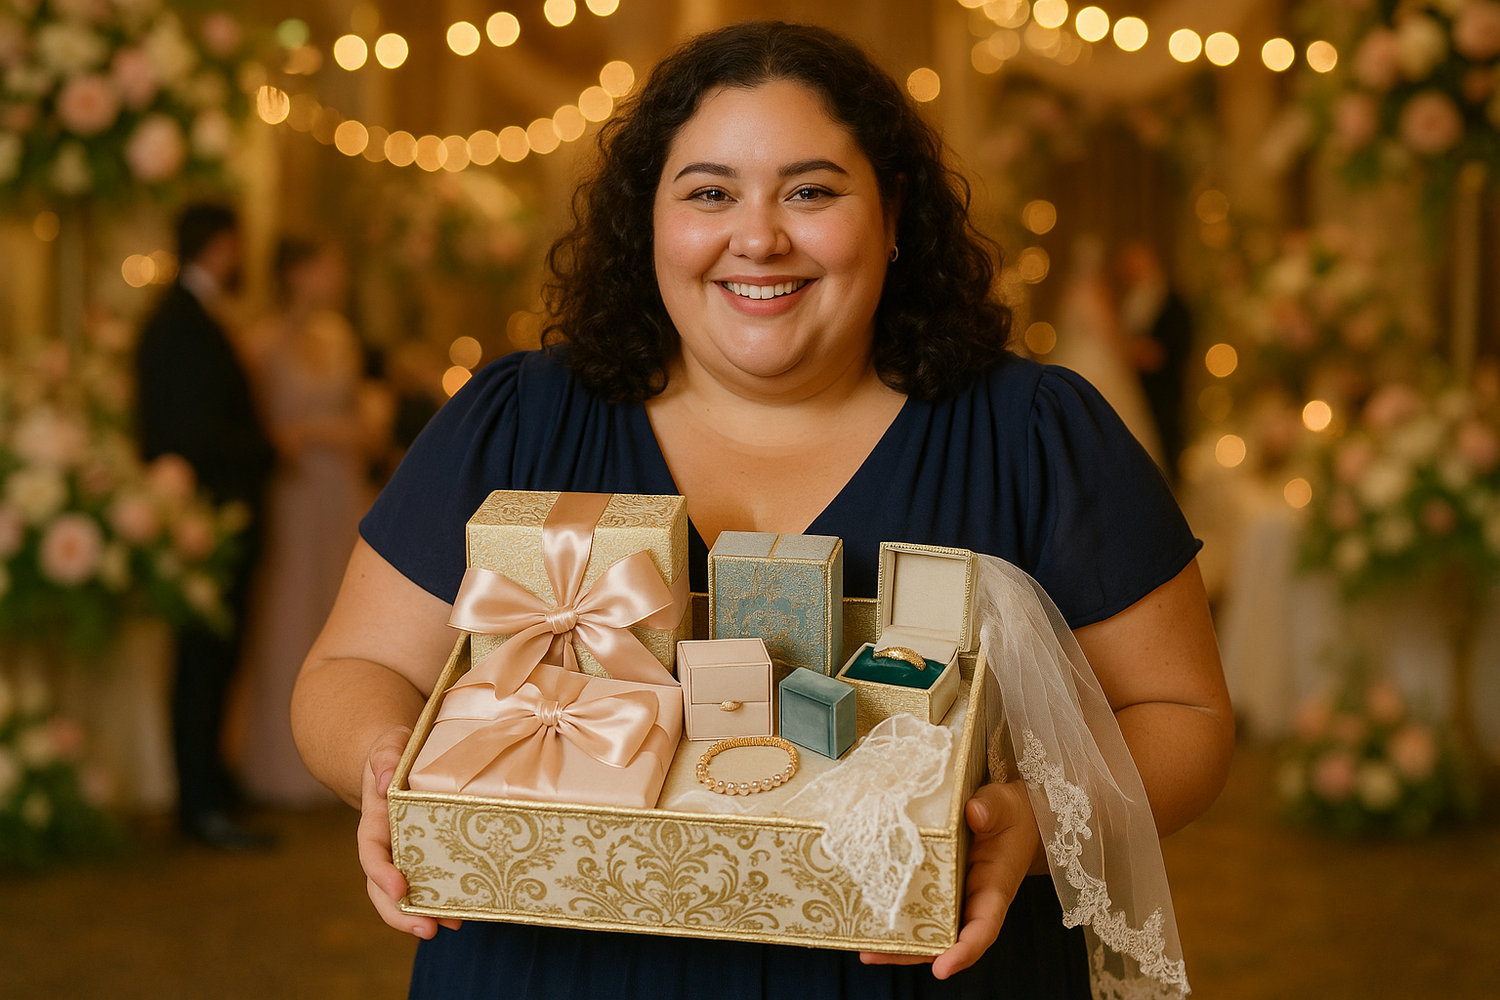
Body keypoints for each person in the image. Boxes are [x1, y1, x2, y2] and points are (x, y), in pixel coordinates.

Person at [292, 22, 1233, 999]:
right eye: (709, 192)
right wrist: (391, 767)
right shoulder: (513, 418)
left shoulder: (1037, 434)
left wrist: (1036, 821)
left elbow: (1185, 715)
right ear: (646, 219)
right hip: (547, 963)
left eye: (811, 190)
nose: (758, 236)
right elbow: (348, 669)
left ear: (895, 210)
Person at [135, 202, 276, 850]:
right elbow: (192, 432)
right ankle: (200, 802)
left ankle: (210, 784)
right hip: (207, 518)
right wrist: (267, 448)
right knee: (203, 660)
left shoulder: (188, 317)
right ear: (222, 246)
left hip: (212, 513)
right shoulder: (182, 323)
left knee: (214, 658)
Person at [235, 239, 378, 806]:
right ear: (297, 274)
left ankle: (339, 754)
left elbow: (364, 428)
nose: (336, 273)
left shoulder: (340, 337)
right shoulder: (260, 343)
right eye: (327, 263)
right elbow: (264, 434)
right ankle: (277, 762)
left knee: (339, 608)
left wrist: (314, 433)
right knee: (287, 610)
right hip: (292, 494)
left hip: (338, 489)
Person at [1047, 234, 1166, 469]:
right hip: (1098, 366)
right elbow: (1109, 333)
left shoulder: (1070, 294)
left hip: (1071, 361)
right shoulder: (1092, 295)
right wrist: (1130, 352)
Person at [1118, 241, 1194, 483]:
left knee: (1166, 442)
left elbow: (1180, 342)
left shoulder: (1174, 301)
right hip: (1135, 387)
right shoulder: (1128, 298)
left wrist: (1157, 355)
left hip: (1165, 388)